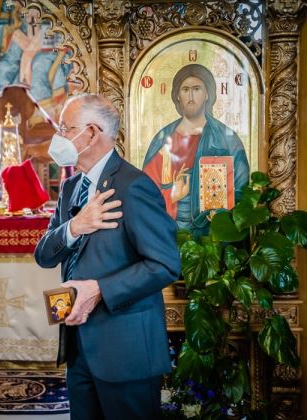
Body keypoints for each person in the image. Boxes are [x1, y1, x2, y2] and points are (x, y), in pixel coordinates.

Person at [35, 94, 181, 419]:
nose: (58, 136)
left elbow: (165, 264)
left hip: (125, 349)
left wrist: (99, 289)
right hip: (79, 345)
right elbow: (44, 255)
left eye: (65, 128)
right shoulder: (72, 188)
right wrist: (74, 226)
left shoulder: (134, 186)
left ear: (90, 133)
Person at [142, 63, 249, 236]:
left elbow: (242, 189)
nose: (190, 96)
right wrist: (171, 194)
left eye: (197, 88)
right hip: (171, 232)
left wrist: (223, 212)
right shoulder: (163, 141)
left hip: (213, 234)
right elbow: (145, 193)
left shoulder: (227, 139)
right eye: (185, 89)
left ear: (208, 94)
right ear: (177, 95)